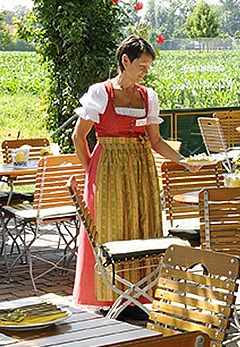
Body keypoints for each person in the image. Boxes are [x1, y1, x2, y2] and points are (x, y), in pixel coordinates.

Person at [72, 35, 184, 308]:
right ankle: (111, 298)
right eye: (142, 66)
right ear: (125, 61)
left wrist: (183, 161)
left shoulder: (148, 96)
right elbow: (79, 136)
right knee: (111, 229)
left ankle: (139, 297)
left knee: (142, 226)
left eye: (148, 66)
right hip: (107, 167)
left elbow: (156, 141)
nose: (146, 72)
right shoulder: (101, 93)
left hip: (140, 168)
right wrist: (92, 173)